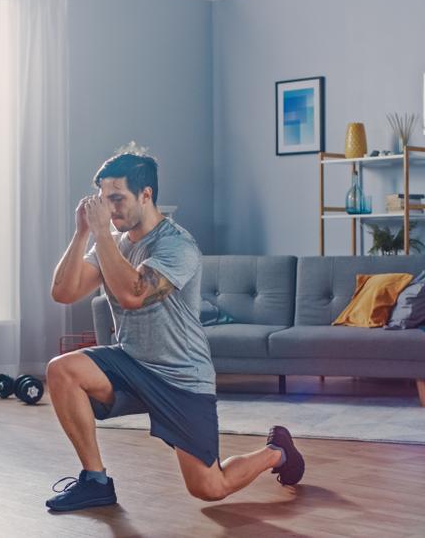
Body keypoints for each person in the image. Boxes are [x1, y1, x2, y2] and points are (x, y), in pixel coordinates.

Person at [46, 144, 304, 512]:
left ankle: (277, 452)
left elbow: (134, 294)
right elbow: (63, 292)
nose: (110, 208)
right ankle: (95, 480)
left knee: (210, 488)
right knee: (61, 370)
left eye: (117, 198)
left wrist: (102, 237)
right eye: (104, 200)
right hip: (131, 363)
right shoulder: (111, 242)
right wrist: (83, 233)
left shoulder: (177, 245)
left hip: (181, 378)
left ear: (146, 194)